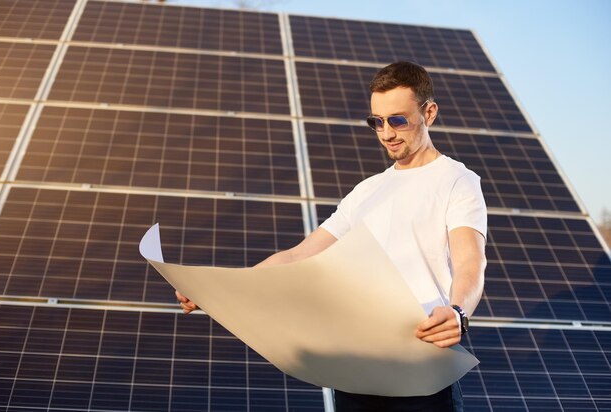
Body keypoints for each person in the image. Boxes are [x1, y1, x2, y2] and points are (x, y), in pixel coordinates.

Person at [176, 60, 487, 412]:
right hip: (356, 362)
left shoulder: (457, 180)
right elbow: (300, 255)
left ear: (429, 113)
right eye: (377, 122)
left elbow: (470, 262)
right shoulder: (367, 191)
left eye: (398, 120)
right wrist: (216, 288)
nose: (387, 133)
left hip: (423, 360)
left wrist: (459, 312)